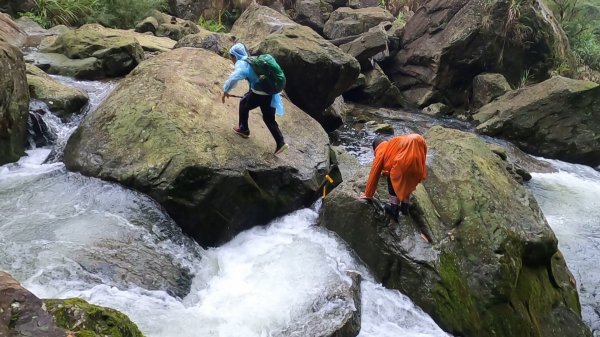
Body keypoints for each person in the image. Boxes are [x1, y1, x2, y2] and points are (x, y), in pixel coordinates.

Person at [221, 43, 289, 155]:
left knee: (243, 103)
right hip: (269, 92)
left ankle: (244, 129)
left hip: (260, 93)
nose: (231, 59)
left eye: (231, 57)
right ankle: (281, 142)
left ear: (234, 56)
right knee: (269, 119)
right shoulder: (251, 60)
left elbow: (235, 77)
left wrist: (226, 91)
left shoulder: (241, 63)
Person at [360, 134, 428, 221]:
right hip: (418, 165)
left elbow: (374, 173)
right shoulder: (394, 145)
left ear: (375, 148)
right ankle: (404, 208)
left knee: (392, 179)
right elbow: (392, 160)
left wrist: (368, 194)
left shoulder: (380, 150)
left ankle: (394, 209)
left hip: (404, 166)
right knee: (407, 183)